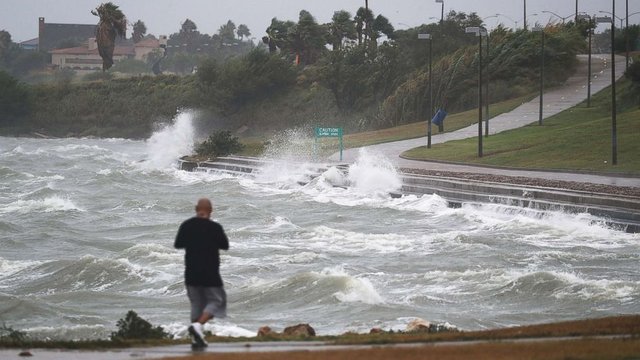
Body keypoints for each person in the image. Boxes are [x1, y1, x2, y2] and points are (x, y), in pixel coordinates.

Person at [174, 198, 229, 350]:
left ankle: (195, 339)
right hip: (210, 272)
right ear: (211, 210)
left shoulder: (186, 225)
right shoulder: (215, 227)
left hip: (191, 272)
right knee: (217, 301)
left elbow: (178, 244)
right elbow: (225, 245)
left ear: (196, 208)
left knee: (196, 304)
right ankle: (198, 326)